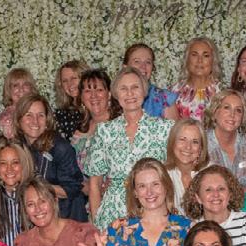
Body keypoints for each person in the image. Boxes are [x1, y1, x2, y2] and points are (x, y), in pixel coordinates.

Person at [84, 66, 171, 228]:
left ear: (144, 91)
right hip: (113, 214)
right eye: (123, 89)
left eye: (135, 87)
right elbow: (94, 184)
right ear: (115, 94)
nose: (130, 93)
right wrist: (97, 223)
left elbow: (172, 175)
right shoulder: (104, 131)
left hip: (152, 207)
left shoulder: (165, 129)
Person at [12, 94, 86, 222]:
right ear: (19, 120)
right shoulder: (17, 148)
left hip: (66, 217)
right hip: (37, 218)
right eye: (29, 115)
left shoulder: (60, 147)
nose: (35, 121)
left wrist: (38, 189)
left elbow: (72, 188)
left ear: (47, 120)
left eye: (40, 115)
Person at [71, 68, 118, 175]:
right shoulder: (79, 129)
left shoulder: (119, 126)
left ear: (109, 94)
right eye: (88, 91)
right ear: (81, 97)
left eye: (99, 90)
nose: (93, 95)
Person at [205, 89, 246, 184]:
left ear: (243, 118)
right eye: (227, 108)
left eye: (238, 110)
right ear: (215, 112)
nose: (232, 115)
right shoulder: (201, 143)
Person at [168, 37, 222, 121]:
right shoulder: (173, 92)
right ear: (187, 60)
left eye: (206, 56)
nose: (200, 60)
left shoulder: (222, 93)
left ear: (213, 61)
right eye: (194, 55)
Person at [123, 43, 179, 118]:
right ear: (125, 67)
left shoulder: (165, 98)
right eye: (137, 61)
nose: (143, 66)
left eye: (148, 62)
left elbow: (174, 125)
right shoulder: (115, 98)